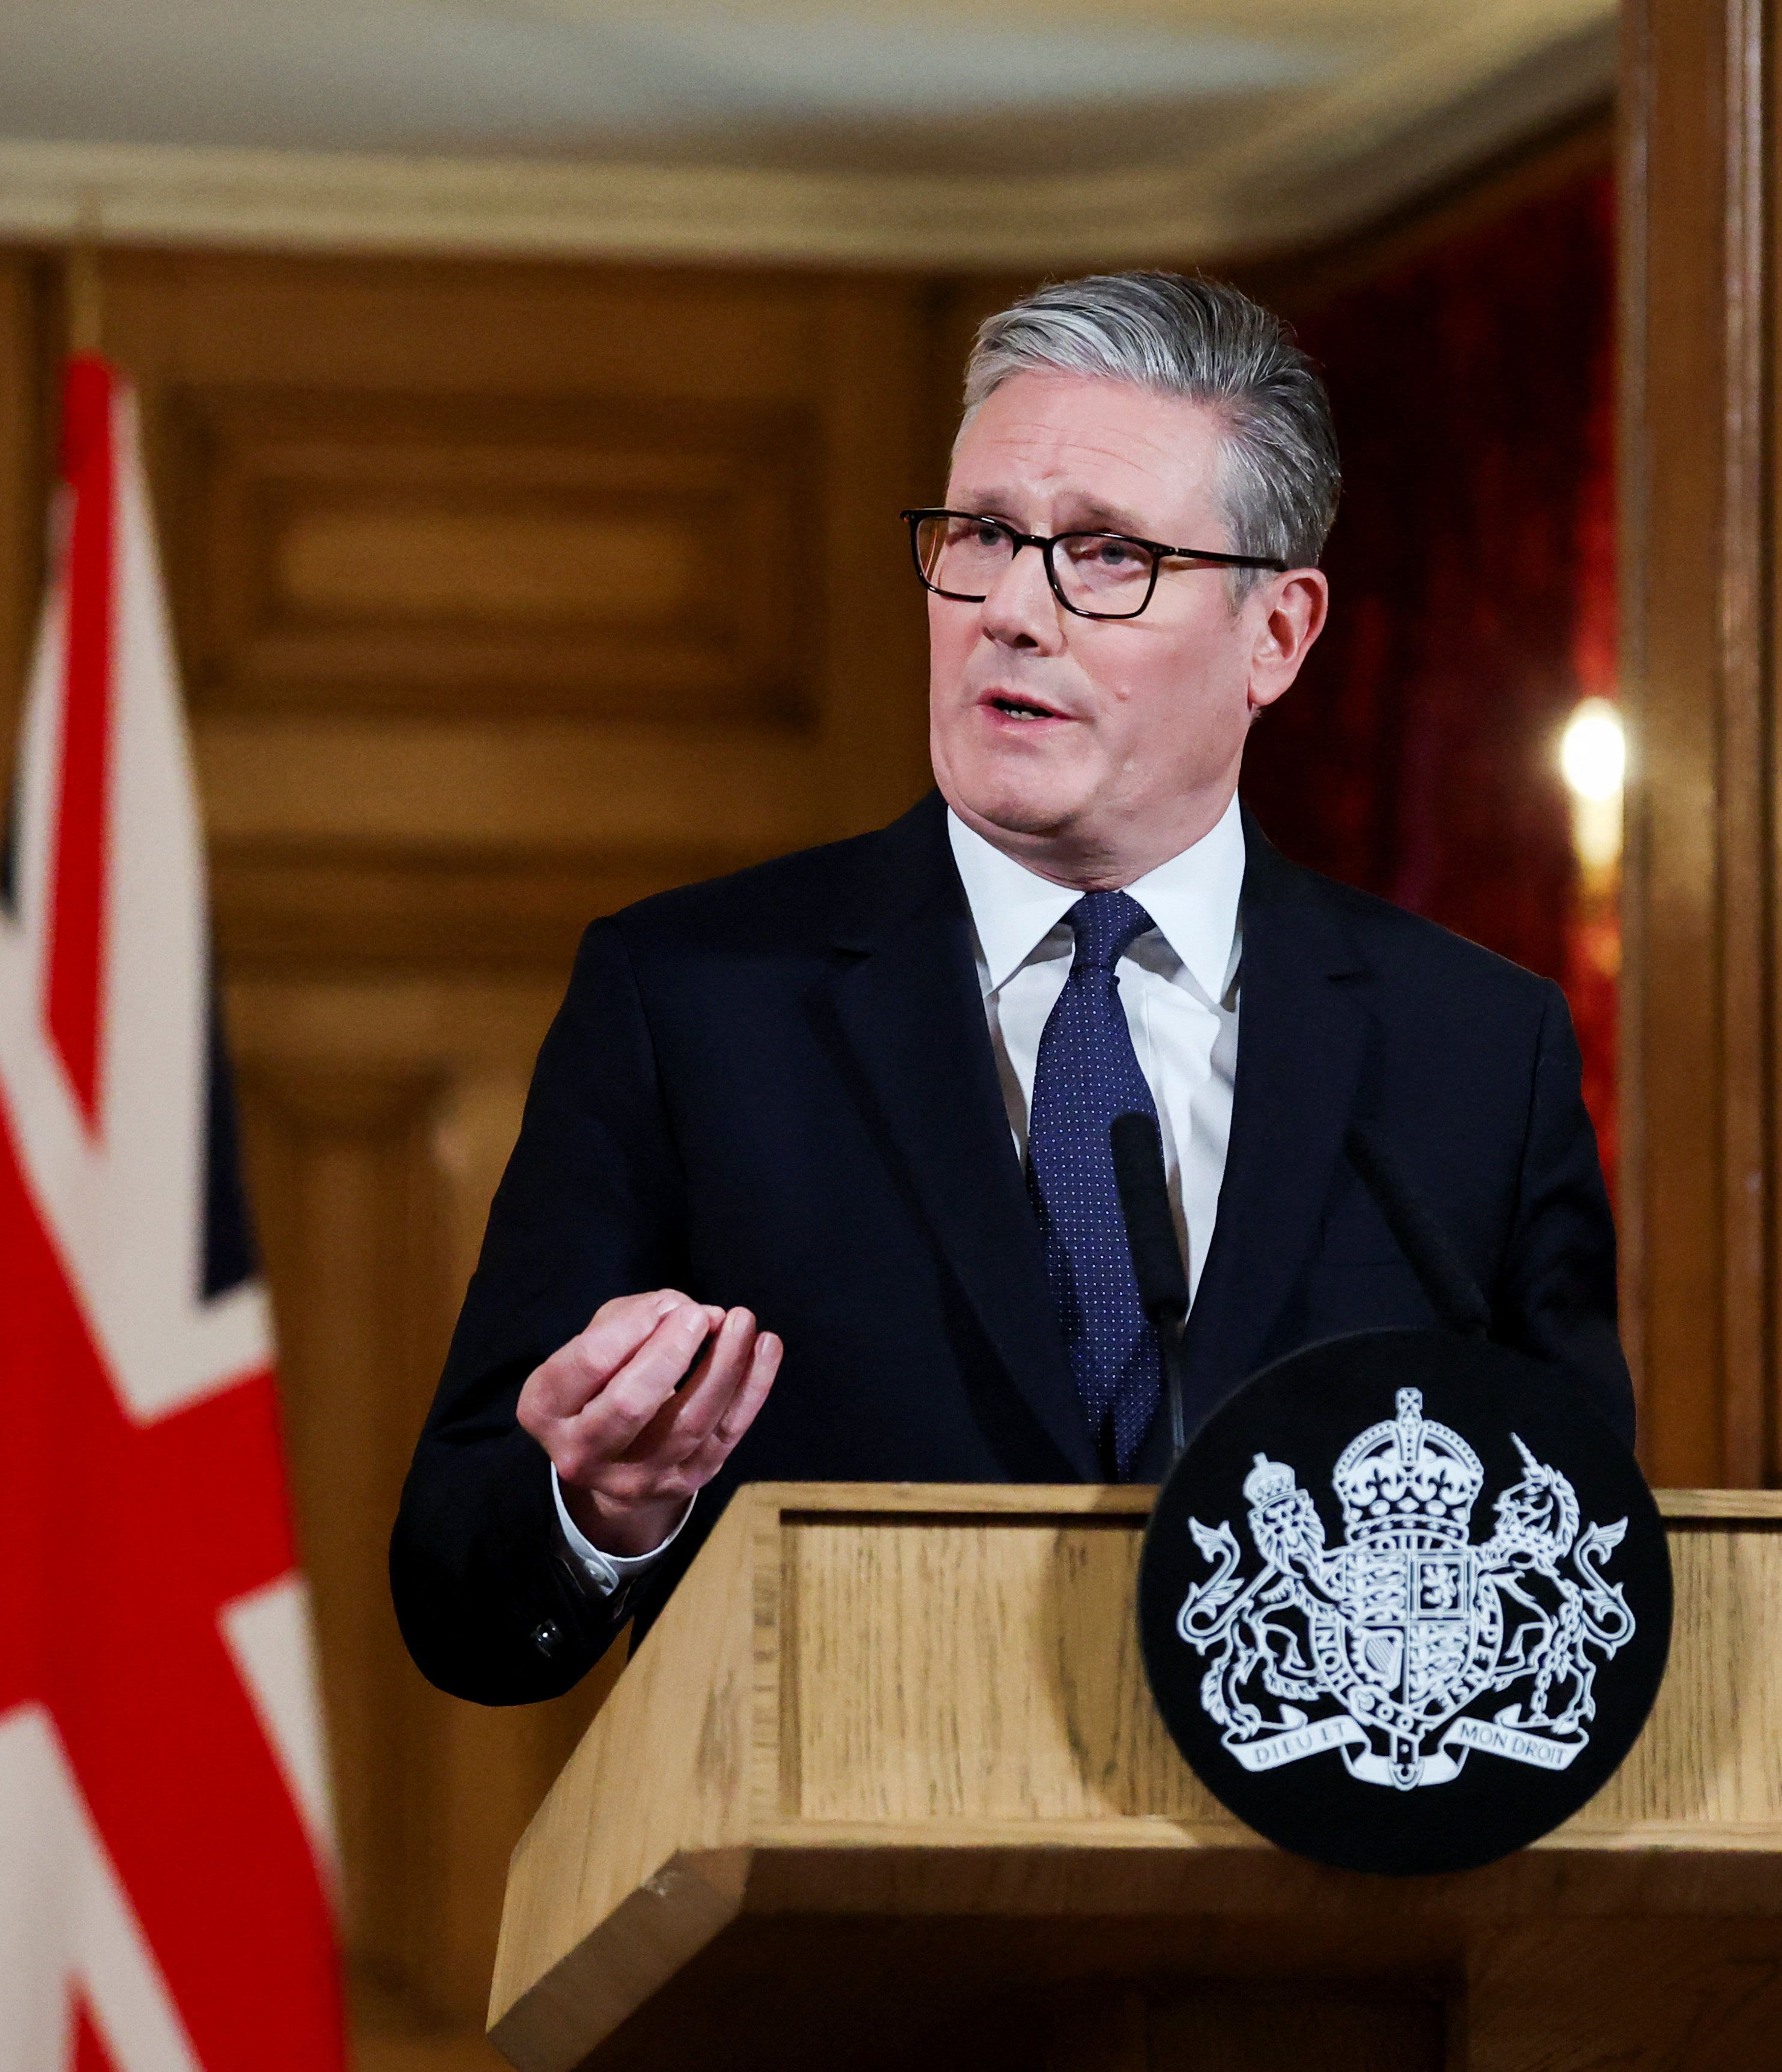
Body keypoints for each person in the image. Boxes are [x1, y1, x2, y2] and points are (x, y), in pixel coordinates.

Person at [389, 271, 1626, 1708]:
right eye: (981, 534)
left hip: (1303, 1848)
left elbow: (1579, 1567)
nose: (1011, 611)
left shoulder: (1473, 1051)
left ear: (1277, 635)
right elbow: (461, 1597)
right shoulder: (694, 1005)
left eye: (1107, 555)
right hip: (839, 1838)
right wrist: (598, 1508)